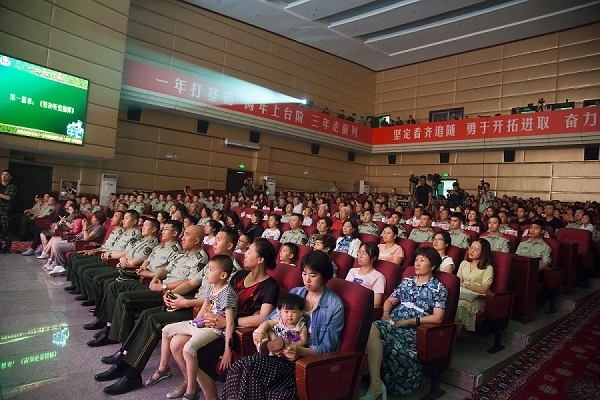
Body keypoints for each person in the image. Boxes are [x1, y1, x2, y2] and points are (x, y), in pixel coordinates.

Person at [222, 251, 343, 400]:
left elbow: (327, 348)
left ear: (324, 276)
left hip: (302, 363)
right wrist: (269, 337)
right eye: (304, 274)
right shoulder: (296, 293)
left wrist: (299, 350)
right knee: (238, 368)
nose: (307, 280)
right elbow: (271, 320)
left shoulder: (334, 306)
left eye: (313, 275)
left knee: (250, 371)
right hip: (276, 353)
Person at [361, 247, 448, 398]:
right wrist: (386, 313)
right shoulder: (408, 281)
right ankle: (375, 383)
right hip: (393, 322)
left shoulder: (438, 288)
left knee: (373, 334)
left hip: (414, 330)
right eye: (416, 260)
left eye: (422, 260)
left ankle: (375, 382)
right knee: (368, 329)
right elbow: (389, 301)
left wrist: (410, 321)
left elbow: (438, 317)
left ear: (433, 266)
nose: (417, 264)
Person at [154, 255, 238, 400]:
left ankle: (191, 391)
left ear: (223, 275)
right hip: (202, 324)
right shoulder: (212, 287)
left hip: (215, 330)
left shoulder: (227, 293)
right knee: (166, 330)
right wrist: (193, 326)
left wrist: (227, 351)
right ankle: (163, 368)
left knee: (188, 349)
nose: (207, 273)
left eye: (211, 270)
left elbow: (229, 323)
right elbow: (203, 309)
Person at [254, 293, 308, 357]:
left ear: (301, 312)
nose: (290, 315)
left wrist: (291, 343)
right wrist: (261, 332)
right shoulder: (279, 320)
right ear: (280, 312)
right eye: (286, 312)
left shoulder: (301, 327)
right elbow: (266, 323)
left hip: (286, 349)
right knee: (267, 331)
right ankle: (266, 347)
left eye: (294, 312)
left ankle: (272, 349)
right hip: (272, 339)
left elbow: (302, 341)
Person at [456, 239, 493, 331]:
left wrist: (465, 285)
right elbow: (457, 281)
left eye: (476, 249)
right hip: (461, 294)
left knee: (461, 307)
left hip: (477, 298)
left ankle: (452, 337)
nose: (471, 251)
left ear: (483, 253)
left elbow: (484, 289)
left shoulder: (488, 268)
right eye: (471, 248)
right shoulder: (464, 263)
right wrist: (462, 285)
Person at [346, 243, 385, 307]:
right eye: (359, 252)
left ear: (373, 258)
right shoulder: (352, 271)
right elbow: (345, 290)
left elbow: (376, 303)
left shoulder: (378, 277)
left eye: (364, 253)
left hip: (360, 307)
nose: (359, 256)